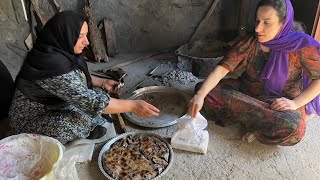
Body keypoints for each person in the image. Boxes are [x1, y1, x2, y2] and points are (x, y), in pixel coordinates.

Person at [9, 11, 160, 144]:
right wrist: (133, 106)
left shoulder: (56, 51)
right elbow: (92, 102)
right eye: (80, 36)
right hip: (31, 119)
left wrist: (102, 82)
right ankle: (83, 130)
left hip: (53, 105)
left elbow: (74, 76)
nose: (87, 42)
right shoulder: (50, 65)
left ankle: (89, 123)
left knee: (99, 98)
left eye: (86, 35)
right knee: (75, 121)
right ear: (65, 34)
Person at [188, 0, 320, 146]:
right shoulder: (250, 42)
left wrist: (295, 103)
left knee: (295, 129)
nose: (258, 28)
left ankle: (250, 121)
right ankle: (260, 125)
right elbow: (221, 70)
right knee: (203, 91)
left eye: (266, 23)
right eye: (257, 21)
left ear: (283, 24)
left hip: (281, 103)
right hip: (248, 93)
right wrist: (200, 96)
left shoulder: (301, 45)